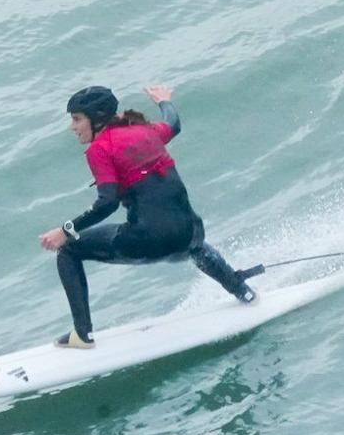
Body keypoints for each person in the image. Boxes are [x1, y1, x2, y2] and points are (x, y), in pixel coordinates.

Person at [38, 84, 259, 348]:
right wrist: (164, 101)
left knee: (69, 251)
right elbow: (173, 124)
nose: (73, 127)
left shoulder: (100, 149)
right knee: (194, 246)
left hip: (149, 240)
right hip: (191, 232)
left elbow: (107, 203)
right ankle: (240, 290)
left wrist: (65, 231)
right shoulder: (145, 131)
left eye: (76, 119)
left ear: (96, 118)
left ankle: (82, 335)